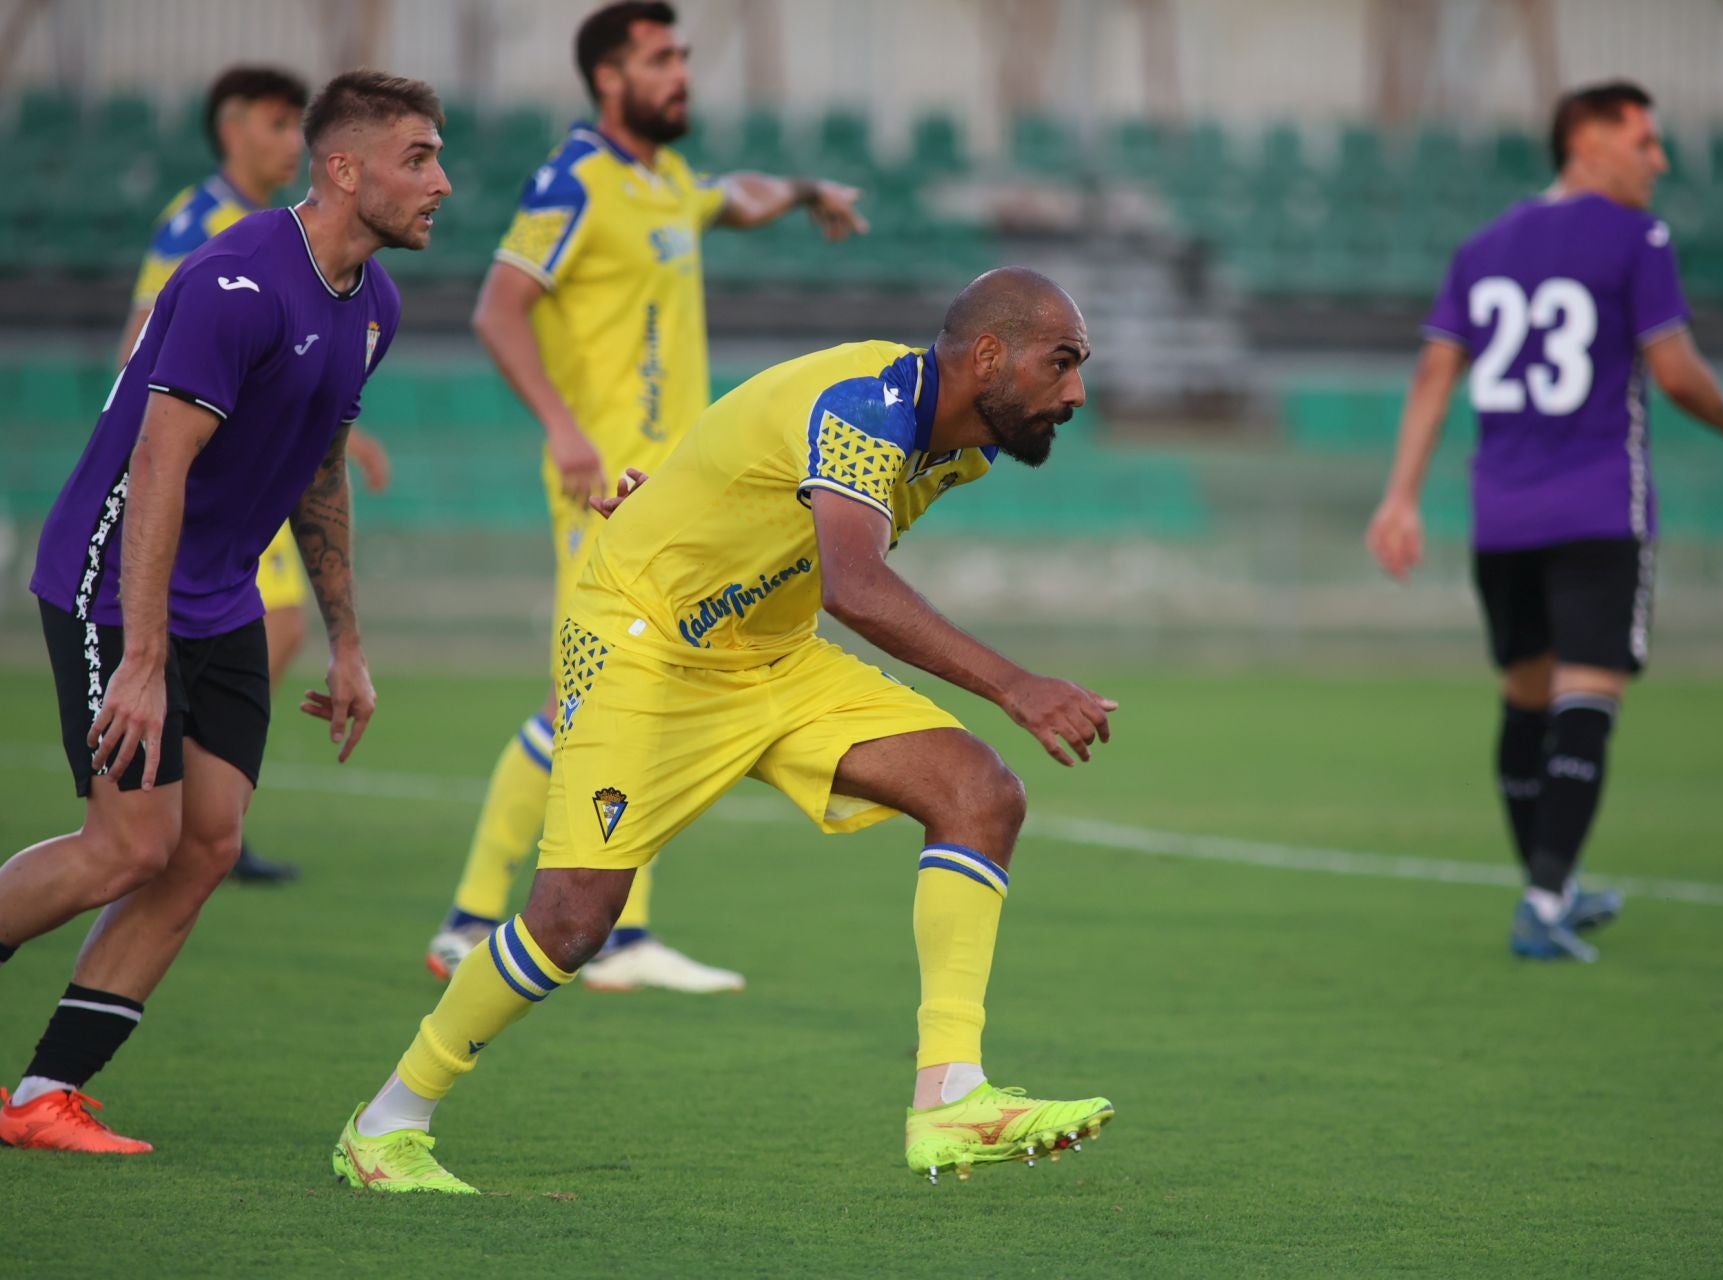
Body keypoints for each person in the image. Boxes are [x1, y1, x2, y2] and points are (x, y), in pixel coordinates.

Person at [331, 267, 1116, 1193]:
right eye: (1061, 363)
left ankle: (952, 1097)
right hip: (642, 637)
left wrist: (671, 492)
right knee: (575, 917)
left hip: (768, 653)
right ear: (989, 354)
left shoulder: (961, 447)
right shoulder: (869, 405)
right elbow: (855, 585)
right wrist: (1017, 686)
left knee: (980, 795)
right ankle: (386, 1122)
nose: (1075, 391)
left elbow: (756, 450)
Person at [0, 71, 448, 1154]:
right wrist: (142, 656)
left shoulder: (374, 306)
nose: (441, 184)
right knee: (128, 844)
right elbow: (158, 463)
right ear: (343, 169)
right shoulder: (235, 279)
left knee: (206, 844)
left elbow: (320, 468)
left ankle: (41, 1095)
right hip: (116, 583)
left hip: (221, 598)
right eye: (419, 159)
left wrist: (348, 643)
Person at [425, 0, 870, 994]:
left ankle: (619, 936)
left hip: (675, 486)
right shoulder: (575, 177)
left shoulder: (666, 178)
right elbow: (498, 306)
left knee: (653, 683)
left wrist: (802, 191)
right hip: (602, 483)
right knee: (585, 695)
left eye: (683, 57)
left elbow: (736, 195)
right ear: (608, 78)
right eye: (661, 58)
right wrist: (565, 426)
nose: (682, 73)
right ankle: (470, 920)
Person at [1365, 81, 1723, 963]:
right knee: (1586, 700)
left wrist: (1401, 495)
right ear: (1587, 140)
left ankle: (1546, 888)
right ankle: (1548, 902)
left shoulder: (1482, 248)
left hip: (1501, 518)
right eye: (1646, 142)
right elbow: (1673, 373)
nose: (1659, 162)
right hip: (1598, 508)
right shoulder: (1639, 238)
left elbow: (1436, 376)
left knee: (1525, 701)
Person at [119, 64, 396, 885]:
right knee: (270, 625)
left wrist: (347, 434)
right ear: (232, 126)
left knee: (280, 627)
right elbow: (147, 338)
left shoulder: (294, 235)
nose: (289, 142)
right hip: (204, 473)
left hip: (259, 475)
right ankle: (179, 801)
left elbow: (297, 369)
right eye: (276, 124)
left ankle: (210, 819)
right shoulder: (203, 225)